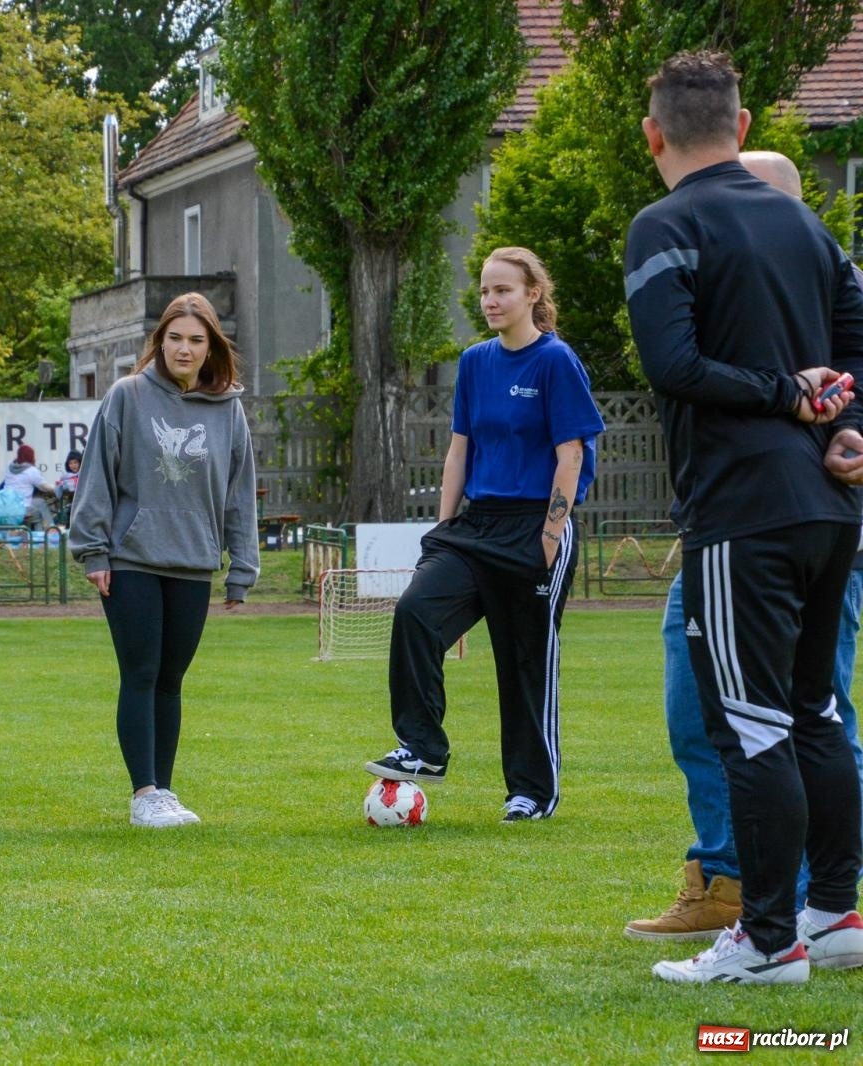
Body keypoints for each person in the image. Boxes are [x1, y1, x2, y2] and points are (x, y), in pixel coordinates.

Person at [624, 52, 863, 984]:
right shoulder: (804, 223)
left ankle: (768, 943)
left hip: (741, 511)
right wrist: (848, 425)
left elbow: (673, 368)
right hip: (830, 508)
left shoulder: (665, 224)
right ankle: (835, 914)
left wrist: (792, 398)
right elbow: (857, 334)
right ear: (746, 124)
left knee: (754, 725)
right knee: (819, 714)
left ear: (654, 136)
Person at [364, 247, 605, 824]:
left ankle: (530, 791)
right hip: (475, 525)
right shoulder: (475, 362)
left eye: (502, 290)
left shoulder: (556, 361)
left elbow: (570, 453)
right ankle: (422, 748)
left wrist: (550, 534)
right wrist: (444, 527)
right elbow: (458, 450)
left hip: (534, 527)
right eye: (483, 291)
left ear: (532, 296)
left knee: (525, 663)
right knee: (417, 611)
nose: (490, 301)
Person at [69, 292, 259, 828]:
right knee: (141, 672)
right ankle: (143, 793)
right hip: (131, 560)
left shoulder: (229, 411)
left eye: (196, 340)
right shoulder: (127, 396)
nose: (184, 348)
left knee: (171, 680)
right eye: (175, 338)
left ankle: (166, 792)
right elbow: (97, 478)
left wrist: (241, 568)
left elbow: (239, 493)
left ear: (210, 348)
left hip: (193, 563)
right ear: (160, 342)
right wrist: (93, 550)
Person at [0, 443, 56, 528]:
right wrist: (57, 487)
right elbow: (45, 488)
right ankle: (50, 531)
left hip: (6, 508)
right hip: (22, 509)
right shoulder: (31, 471)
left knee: (39, 503)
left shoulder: (9, 467)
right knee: (40, 510)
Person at [55, 449, 82, 526]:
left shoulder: (85, 474)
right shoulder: (65, 477)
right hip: (72, 506)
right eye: (70, 463)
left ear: (80, 462)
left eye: (75, 462)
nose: (73, 465)